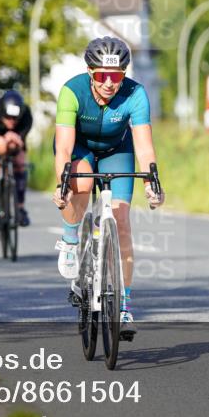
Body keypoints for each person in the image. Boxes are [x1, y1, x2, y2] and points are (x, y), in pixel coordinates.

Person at [51, 37, 164, 339]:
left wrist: (153, 183)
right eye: (102, 76)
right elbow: (63, 147)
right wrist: (62, 182)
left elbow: (144, 147)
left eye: (117, 76)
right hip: (80, 148)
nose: (110, 83)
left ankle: (124, 304)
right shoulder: (71, 92)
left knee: (123, 224)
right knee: (83, 181)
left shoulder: (136, 94)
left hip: (117, 150)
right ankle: (71, 239)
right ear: (90, 72)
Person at [0, 89, 33, 233]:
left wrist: (17, 137)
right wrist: (2, 140)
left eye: (15, 118)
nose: (11, 121)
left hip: (15, 135)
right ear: (2, 112)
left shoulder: (26, 115)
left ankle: (20, 207)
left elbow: (23, 133)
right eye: (8, 117)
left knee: (20, 163)